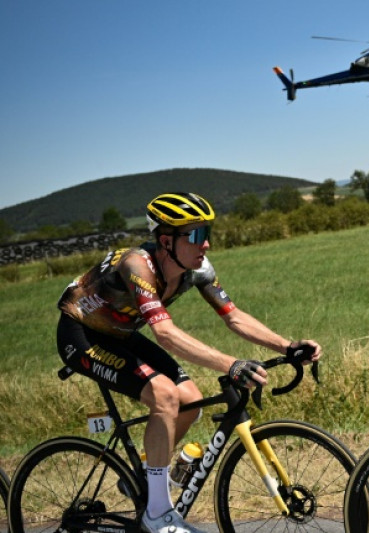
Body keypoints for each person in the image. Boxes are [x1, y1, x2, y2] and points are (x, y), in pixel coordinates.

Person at [56, 192, 322, 533]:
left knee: (191, 401)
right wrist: (230, 363)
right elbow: (165, 334)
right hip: (80, 335)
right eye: (196, 235)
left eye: (207, 232)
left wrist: (287, 345)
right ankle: (157, 513)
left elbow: (234, 317)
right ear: (166, 241)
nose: (206, 244)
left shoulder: (197, 269)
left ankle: (144, 473)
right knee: (165, 396)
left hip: (120, 334)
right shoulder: (138, 266)